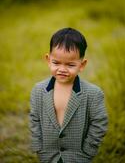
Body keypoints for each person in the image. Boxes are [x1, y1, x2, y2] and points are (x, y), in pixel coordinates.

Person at [29, 27, 108, 163]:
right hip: (48, 155)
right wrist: (39, 147)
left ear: (82, 65)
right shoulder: (38, 90)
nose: (62, 69)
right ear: (48, 60)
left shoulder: (93, 93)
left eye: (70, 65)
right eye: (56, 63)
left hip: (78, 156)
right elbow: (34, 119)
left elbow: (99, 123)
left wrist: (88, 150)